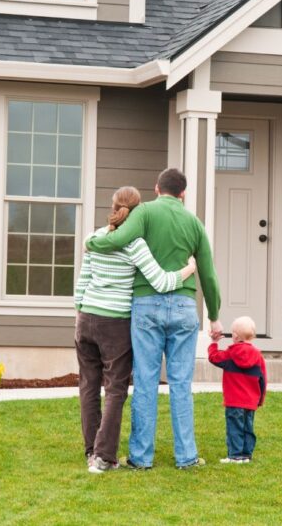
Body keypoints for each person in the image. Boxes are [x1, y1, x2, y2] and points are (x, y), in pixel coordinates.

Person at [87, 168, 222, 470]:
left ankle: (141, 457)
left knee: (146, 381)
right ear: (183, 193)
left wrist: (91, 244)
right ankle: (186, 457)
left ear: (157, 188)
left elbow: (118, 237)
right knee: (180, 383)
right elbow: (209, 276)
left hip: (146, 305)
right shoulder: (195, 223)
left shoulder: (145, 212)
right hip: (185, 308)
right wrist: (214, 316)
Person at [74, 185, 197, 474]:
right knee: (115, 389)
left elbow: (82, 283)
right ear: (138, 211)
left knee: (88, 387)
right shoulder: (135, 244)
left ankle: (92, 449)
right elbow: (162, 282)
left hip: (85, 319)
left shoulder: (95, 238)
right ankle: (103, 457)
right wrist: (189, 269)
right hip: (114, 323)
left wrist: (80, 314)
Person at [207, 316, 267, 464]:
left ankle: (235, 455)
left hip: (234, 401)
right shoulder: (258, 356)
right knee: (248, 428)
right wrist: (260, 400)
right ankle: (246, 455)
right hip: (250, 402)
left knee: (234, 427)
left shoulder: (230, 354)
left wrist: (214, 343)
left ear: (235, 336)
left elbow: (214, 357)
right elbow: (263, 380)